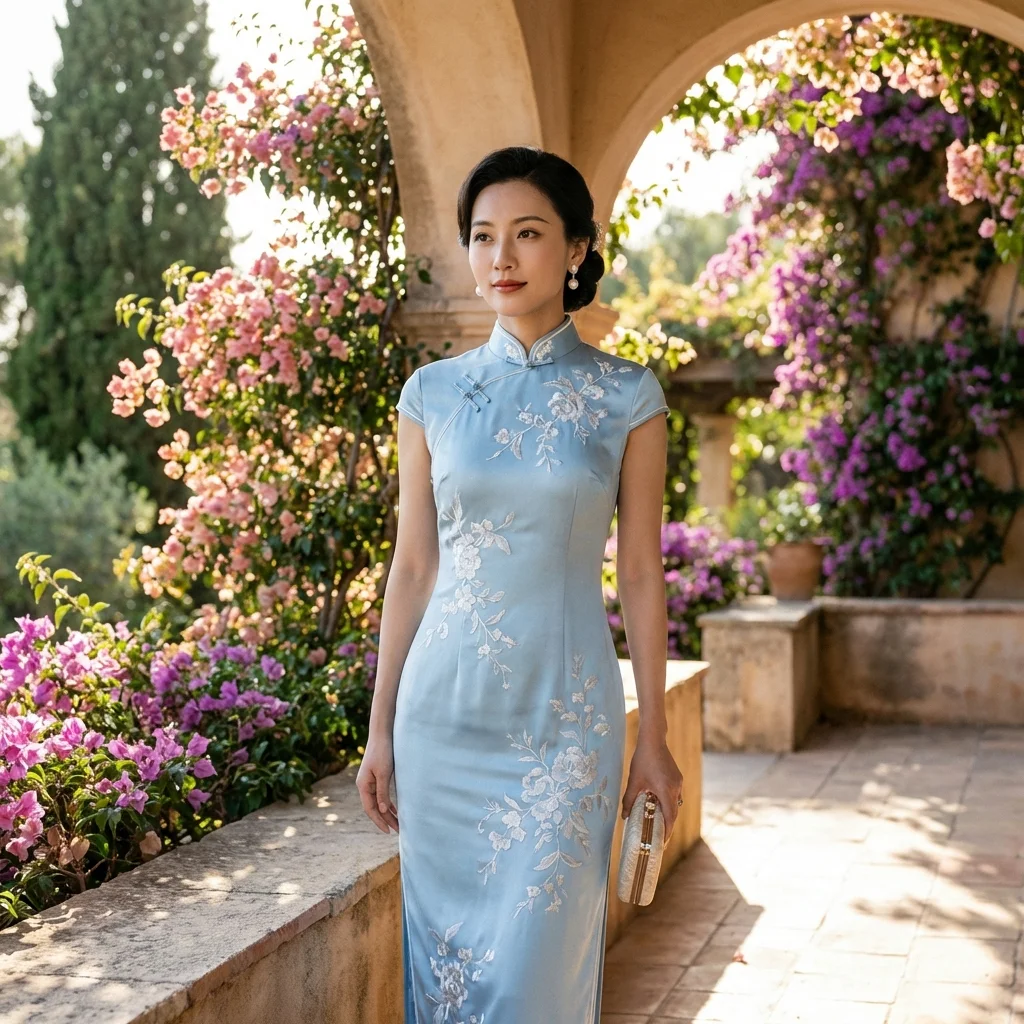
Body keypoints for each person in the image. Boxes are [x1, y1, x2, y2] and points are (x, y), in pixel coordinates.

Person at [356, 145, 684, 1023]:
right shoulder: (431, 393)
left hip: (566, 732)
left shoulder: (629, 397)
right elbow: (415, 567)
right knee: (449, 983)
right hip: (441, 725)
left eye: (528, 234)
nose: (501, 256)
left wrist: (653, 734)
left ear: (576, 248)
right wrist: (379, 727)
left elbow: (642, 574)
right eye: (483, 235)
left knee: (537, 987)